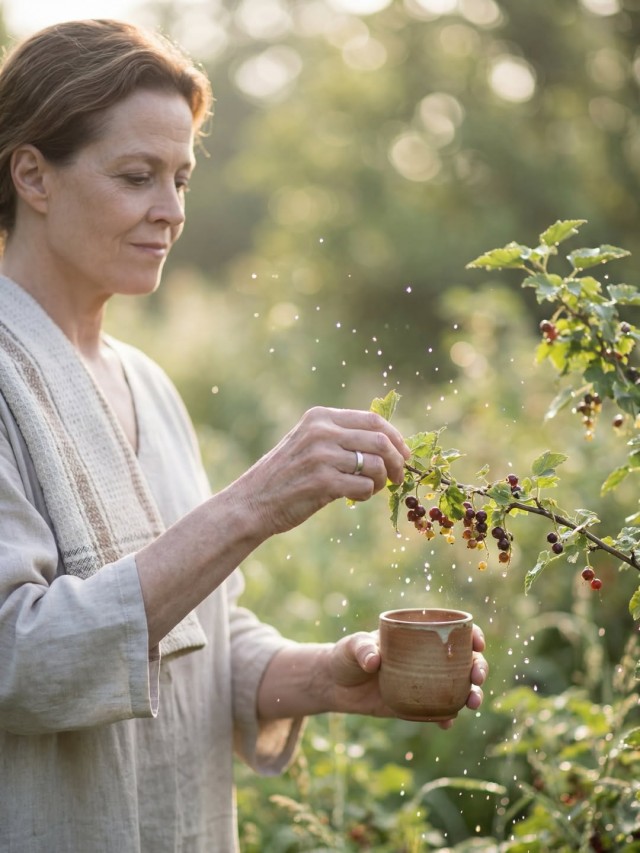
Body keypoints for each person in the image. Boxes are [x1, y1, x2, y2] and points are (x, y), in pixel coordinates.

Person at [0, 18, 488, 853]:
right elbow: (19, 665)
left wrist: (329, 677)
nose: (172, 210)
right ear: (33, 175)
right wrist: (252, 504)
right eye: (137, 176)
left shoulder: (146, 384)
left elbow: (200, 644)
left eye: (183, 177)